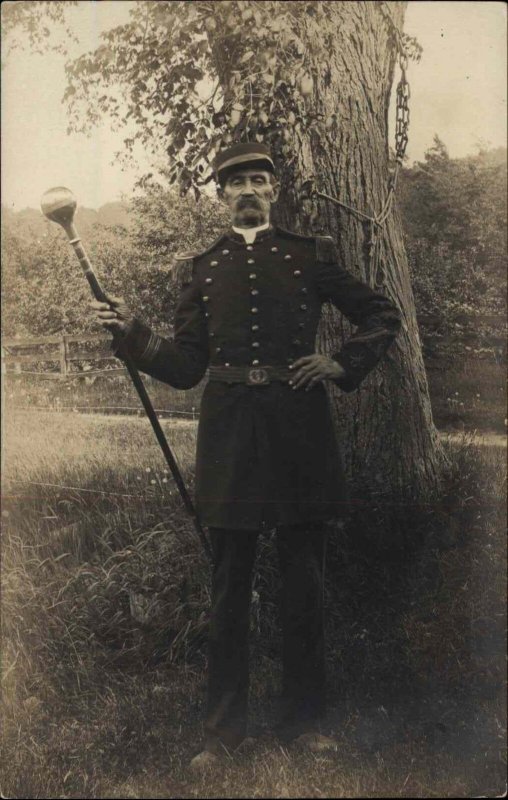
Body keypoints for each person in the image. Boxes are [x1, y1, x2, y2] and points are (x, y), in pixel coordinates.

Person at [92, 141, 401, 770]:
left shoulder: (310, 257)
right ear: (221, 196)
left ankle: (305, 722)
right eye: (236, 182)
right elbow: (185, 368)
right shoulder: (201, 268)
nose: (249, 189)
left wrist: (342, 362)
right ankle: (224, 732)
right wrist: (134, 336)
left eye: (260, 178)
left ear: (275, 189)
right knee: (228, 583)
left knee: (303, 581)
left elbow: (381, 313)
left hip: (299, 430)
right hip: (230, 432)